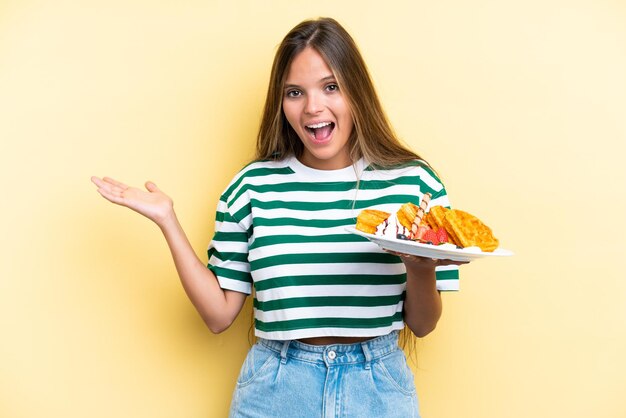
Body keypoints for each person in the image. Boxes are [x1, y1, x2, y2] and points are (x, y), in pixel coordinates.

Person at [91, 17, 466, 418]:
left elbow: (423, 325)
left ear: (357, 91)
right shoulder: (251, 187)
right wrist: (167, 220)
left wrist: (421, 267)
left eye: (331, 87)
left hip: (377, 389)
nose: (312, 107)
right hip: (276, 388)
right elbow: (218, 316)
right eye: (294, 92)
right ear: (280, 102)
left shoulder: (414, 185)